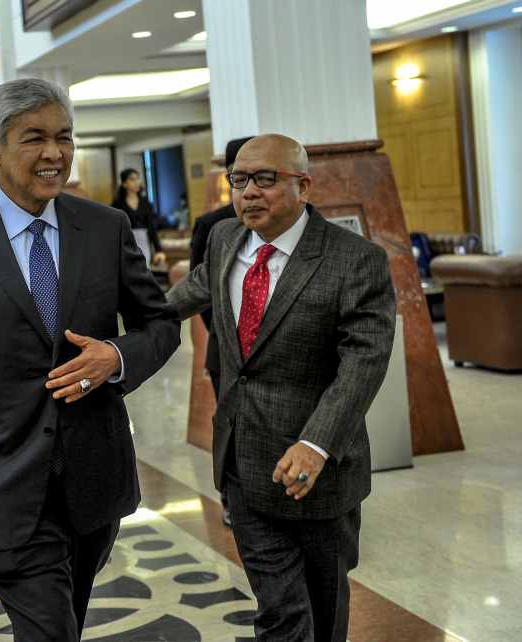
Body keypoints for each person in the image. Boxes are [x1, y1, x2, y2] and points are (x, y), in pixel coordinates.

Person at [0, 78, 180, 642]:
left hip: (92, 479)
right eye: (34, 138)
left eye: (64, 137)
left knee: (64, 624)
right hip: (0, 482)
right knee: (51, 630)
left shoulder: (105, 229)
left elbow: (161, 324)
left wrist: (115, 358)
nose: (54, 153)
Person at [166, 134, 397, 642]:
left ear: (303, 185)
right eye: (239, 180)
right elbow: (177, 301)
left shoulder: (354, 261)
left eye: (265, 179)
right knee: (281, 614)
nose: (248, 192)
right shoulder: (226, 239)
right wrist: (115, 339)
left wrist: (317, 443)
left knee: (324, 608)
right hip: (241, 465)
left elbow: (364, 363)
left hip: (317, 475)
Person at [189, 135, 253, 528]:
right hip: (226, 351)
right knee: (230, 427)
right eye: (241, 176)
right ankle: (232, 498)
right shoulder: (212, 226)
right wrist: (229, 338)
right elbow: (200, 293)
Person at [111, 168, 165, 268]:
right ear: (124, 184)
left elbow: (152, 227)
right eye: (132, 179)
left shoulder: (146, 203)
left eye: (137, 179)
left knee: (144, 269)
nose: (136, 182)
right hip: (125, 241)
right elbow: (114, 229)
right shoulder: (117, 204)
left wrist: (159, 250)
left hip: (144, 240)